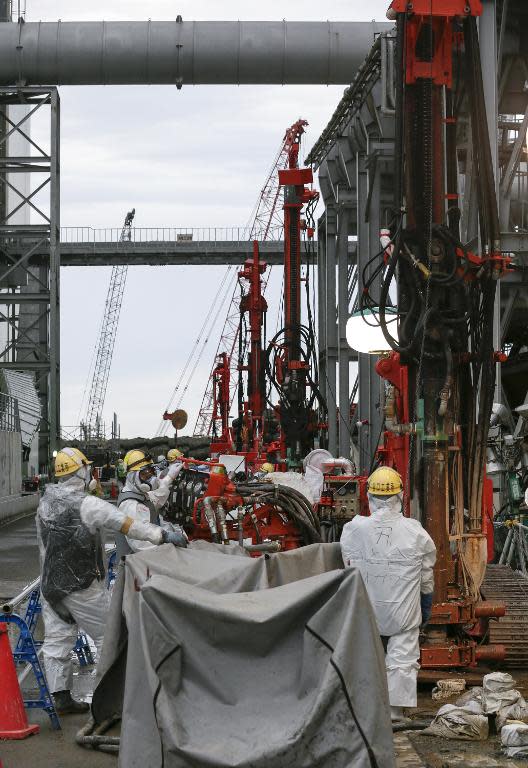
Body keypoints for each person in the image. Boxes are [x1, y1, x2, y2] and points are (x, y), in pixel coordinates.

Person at [37, 446, 187, 715]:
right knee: (110, 636)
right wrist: (163, 536)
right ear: (82, 470)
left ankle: (60, 698)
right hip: (83, 586)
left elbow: (44, 547)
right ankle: (109, 700)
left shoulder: (46, 503)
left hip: (51, 585)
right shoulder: (89, 505)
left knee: (58, 641)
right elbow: (128, 524)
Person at [340, 466, 436, 722]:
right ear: (401, 497)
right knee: (402, 661)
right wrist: (426, 606)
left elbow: (346, 567)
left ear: (369, 497)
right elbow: (426, 578)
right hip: (403, 613)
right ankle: (395, 713)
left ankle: (366, 712)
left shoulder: (353, 529)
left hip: (365, 611)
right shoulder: (416, 533)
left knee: (366, 656)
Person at [116, 449, 186, 558]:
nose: (150, 479)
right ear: (132, 476)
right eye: (144, 475)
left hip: (144, 562)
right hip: (134, 566)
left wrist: (170, 476)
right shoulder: (130, 504)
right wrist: (168, 546)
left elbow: (157, 496)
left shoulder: (140, 494)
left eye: (151, 472)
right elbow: (141, 545)